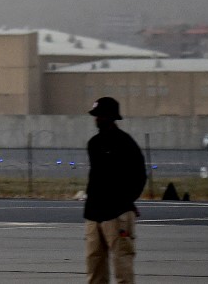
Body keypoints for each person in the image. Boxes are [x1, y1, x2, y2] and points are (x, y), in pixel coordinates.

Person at [84, 96, 146, 284]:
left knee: (122, 268)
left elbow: (139, 177)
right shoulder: (93, 143)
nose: (97, 119)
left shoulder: (125, 143)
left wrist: (125, 202)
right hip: (94, 214)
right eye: (96, 115)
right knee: (94, 267)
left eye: (100, 115)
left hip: (117, 214)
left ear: (111, 117)